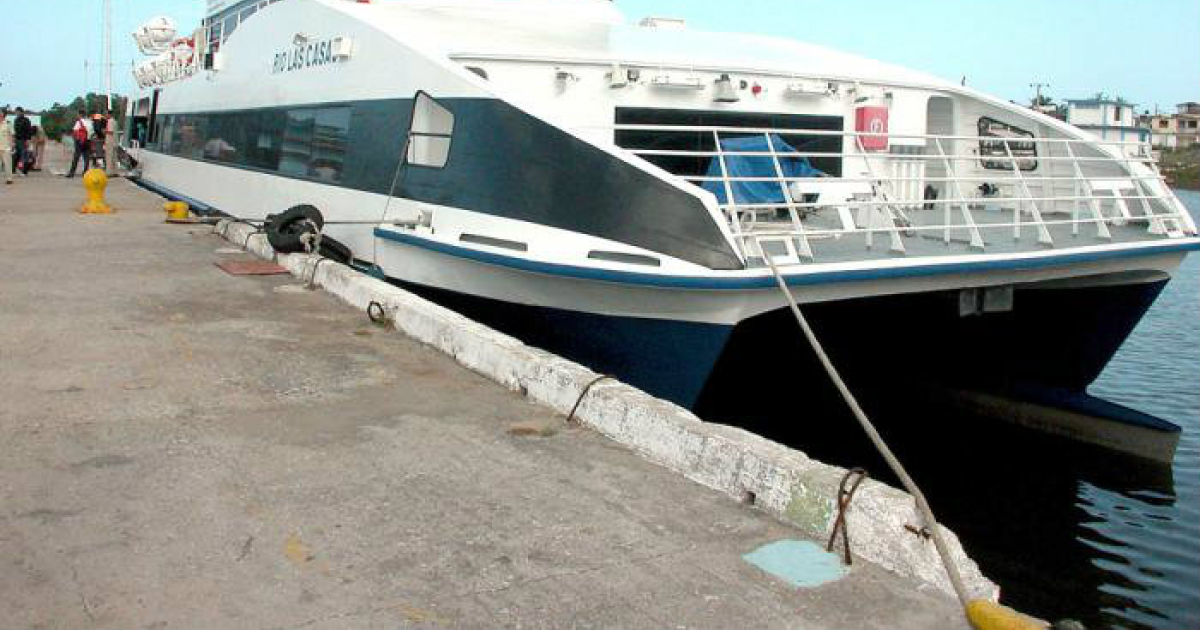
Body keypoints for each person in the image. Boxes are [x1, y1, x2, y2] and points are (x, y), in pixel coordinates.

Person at [66, 110, 92, 178]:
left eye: (78, 114)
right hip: (88, 141)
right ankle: (85, 172)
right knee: (86, 158)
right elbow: (92, 132)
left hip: (80, 142)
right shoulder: (89, 122)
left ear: (80, 115)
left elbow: (74, 132)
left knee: (76, 157)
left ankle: (71, 173)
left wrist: (75, 140)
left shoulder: (79, 122)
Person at [13, 107, 33, 176]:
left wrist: (28, 140)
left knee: (23, 157)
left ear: (21, 112)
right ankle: (15, 170)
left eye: (17, 112)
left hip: (24, 140)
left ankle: (24, 171)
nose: (16, 113)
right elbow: (15, 131)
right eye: (16, 112)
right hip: (17, 140)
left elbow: (29, 131)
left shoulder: (26, 120)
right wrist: (14, 140)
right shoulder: (16, 120)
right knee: (16, 156)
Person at [0, 110, 14, 184]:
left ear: (3, 115)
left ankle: (9, 179)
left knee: (7, 164)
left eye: (0, 113)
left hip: (6, 147)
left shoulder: (8, 123)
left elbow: (12, 135)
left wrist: (11, 146)